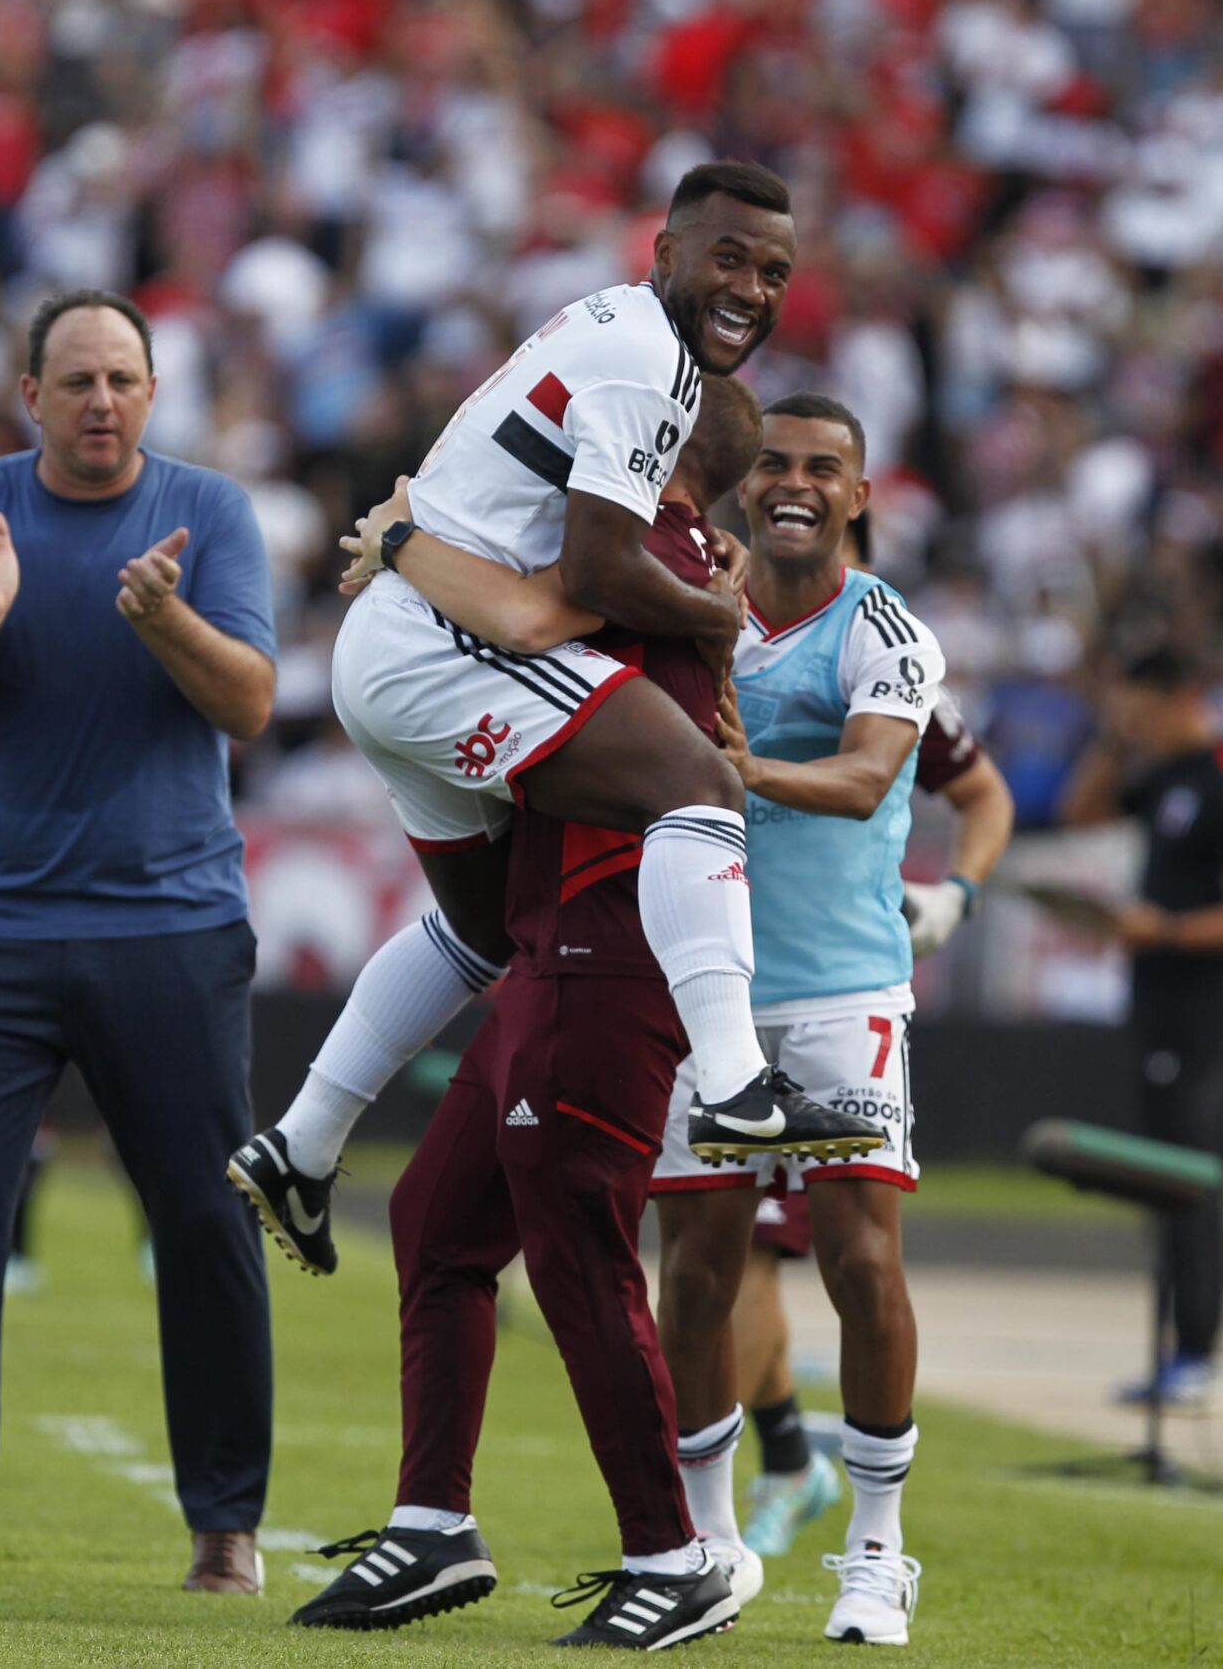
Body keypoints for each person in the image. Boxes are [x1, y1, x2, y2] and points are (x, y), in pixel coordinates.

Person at [229, 163, 881, 1277]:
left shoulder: (615, 335)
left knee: (478, 930)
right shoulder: (647, 368)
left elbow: (572, 573)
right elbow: (586, 575)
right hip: (439, 653)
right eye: (728, 257)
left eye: (773, 271)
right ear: (664, 251)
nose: (751, 289)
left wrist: (400, 541)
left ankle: (302, 1144)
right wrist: (714, 614)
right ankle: (733, 1084)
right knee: (702, 787)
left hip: (401, 648)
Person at [288, 377, 763, 1650]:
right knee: (436, 1222)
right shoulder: (666, 555)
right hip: (554, 934)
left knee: (576, 1244)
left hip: (613, 934)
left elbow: (524, 608)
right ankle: (431, 1527)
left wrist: (402, 541)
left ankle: (675, 1554)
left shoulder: (638, 551)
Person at [0, 289, 278, 1593]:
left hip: (170, 924)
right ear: (28, 395)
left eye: (124, 379)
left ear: (154, 394)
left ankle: (225, 1526)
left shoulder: (214, 513)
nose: (102, 401)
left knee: (205, 1219)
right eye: (76, 379)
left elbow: (249, 699)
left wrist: (164, 619)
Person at [640, 394, 945, 1647]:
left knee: (859, 1262)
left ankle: (876, 1553)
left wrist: (742, 767)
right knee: (701, 1268)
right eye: (774, 462)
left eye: (824, 467)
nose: (796, 484)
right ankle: (705, 1537)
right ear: (739, 479)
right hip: (705, 981)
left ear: (859, 495)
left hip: (841, 987)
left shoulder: (885, 630)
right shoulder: (694, 602)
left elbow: (870, 774)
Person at [728, 507, 1015, 1561]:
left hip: (832, 990)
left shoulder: (890, 665)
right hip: (722, 985)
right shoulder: (716, 627)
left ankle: (805, 1484)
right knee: (718, 1255)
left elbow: (984, 799)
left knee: (800, 1256)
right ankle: (778, 1467)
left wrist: (956, 897)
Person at [1061, 646, 1223, 1413]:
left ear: (1181, 696)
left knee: (1191, 1167)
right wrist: (1116, 742)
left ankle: (1199, 1347)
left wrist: (1168, 931)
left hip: (1201, 1001)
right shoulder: (1162, 772)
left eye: (1141, 707)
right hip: (1151, 994)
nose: (1134, 721)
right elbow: (1081, 811)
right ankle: (1175, 1346)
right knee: (1162, 1166)